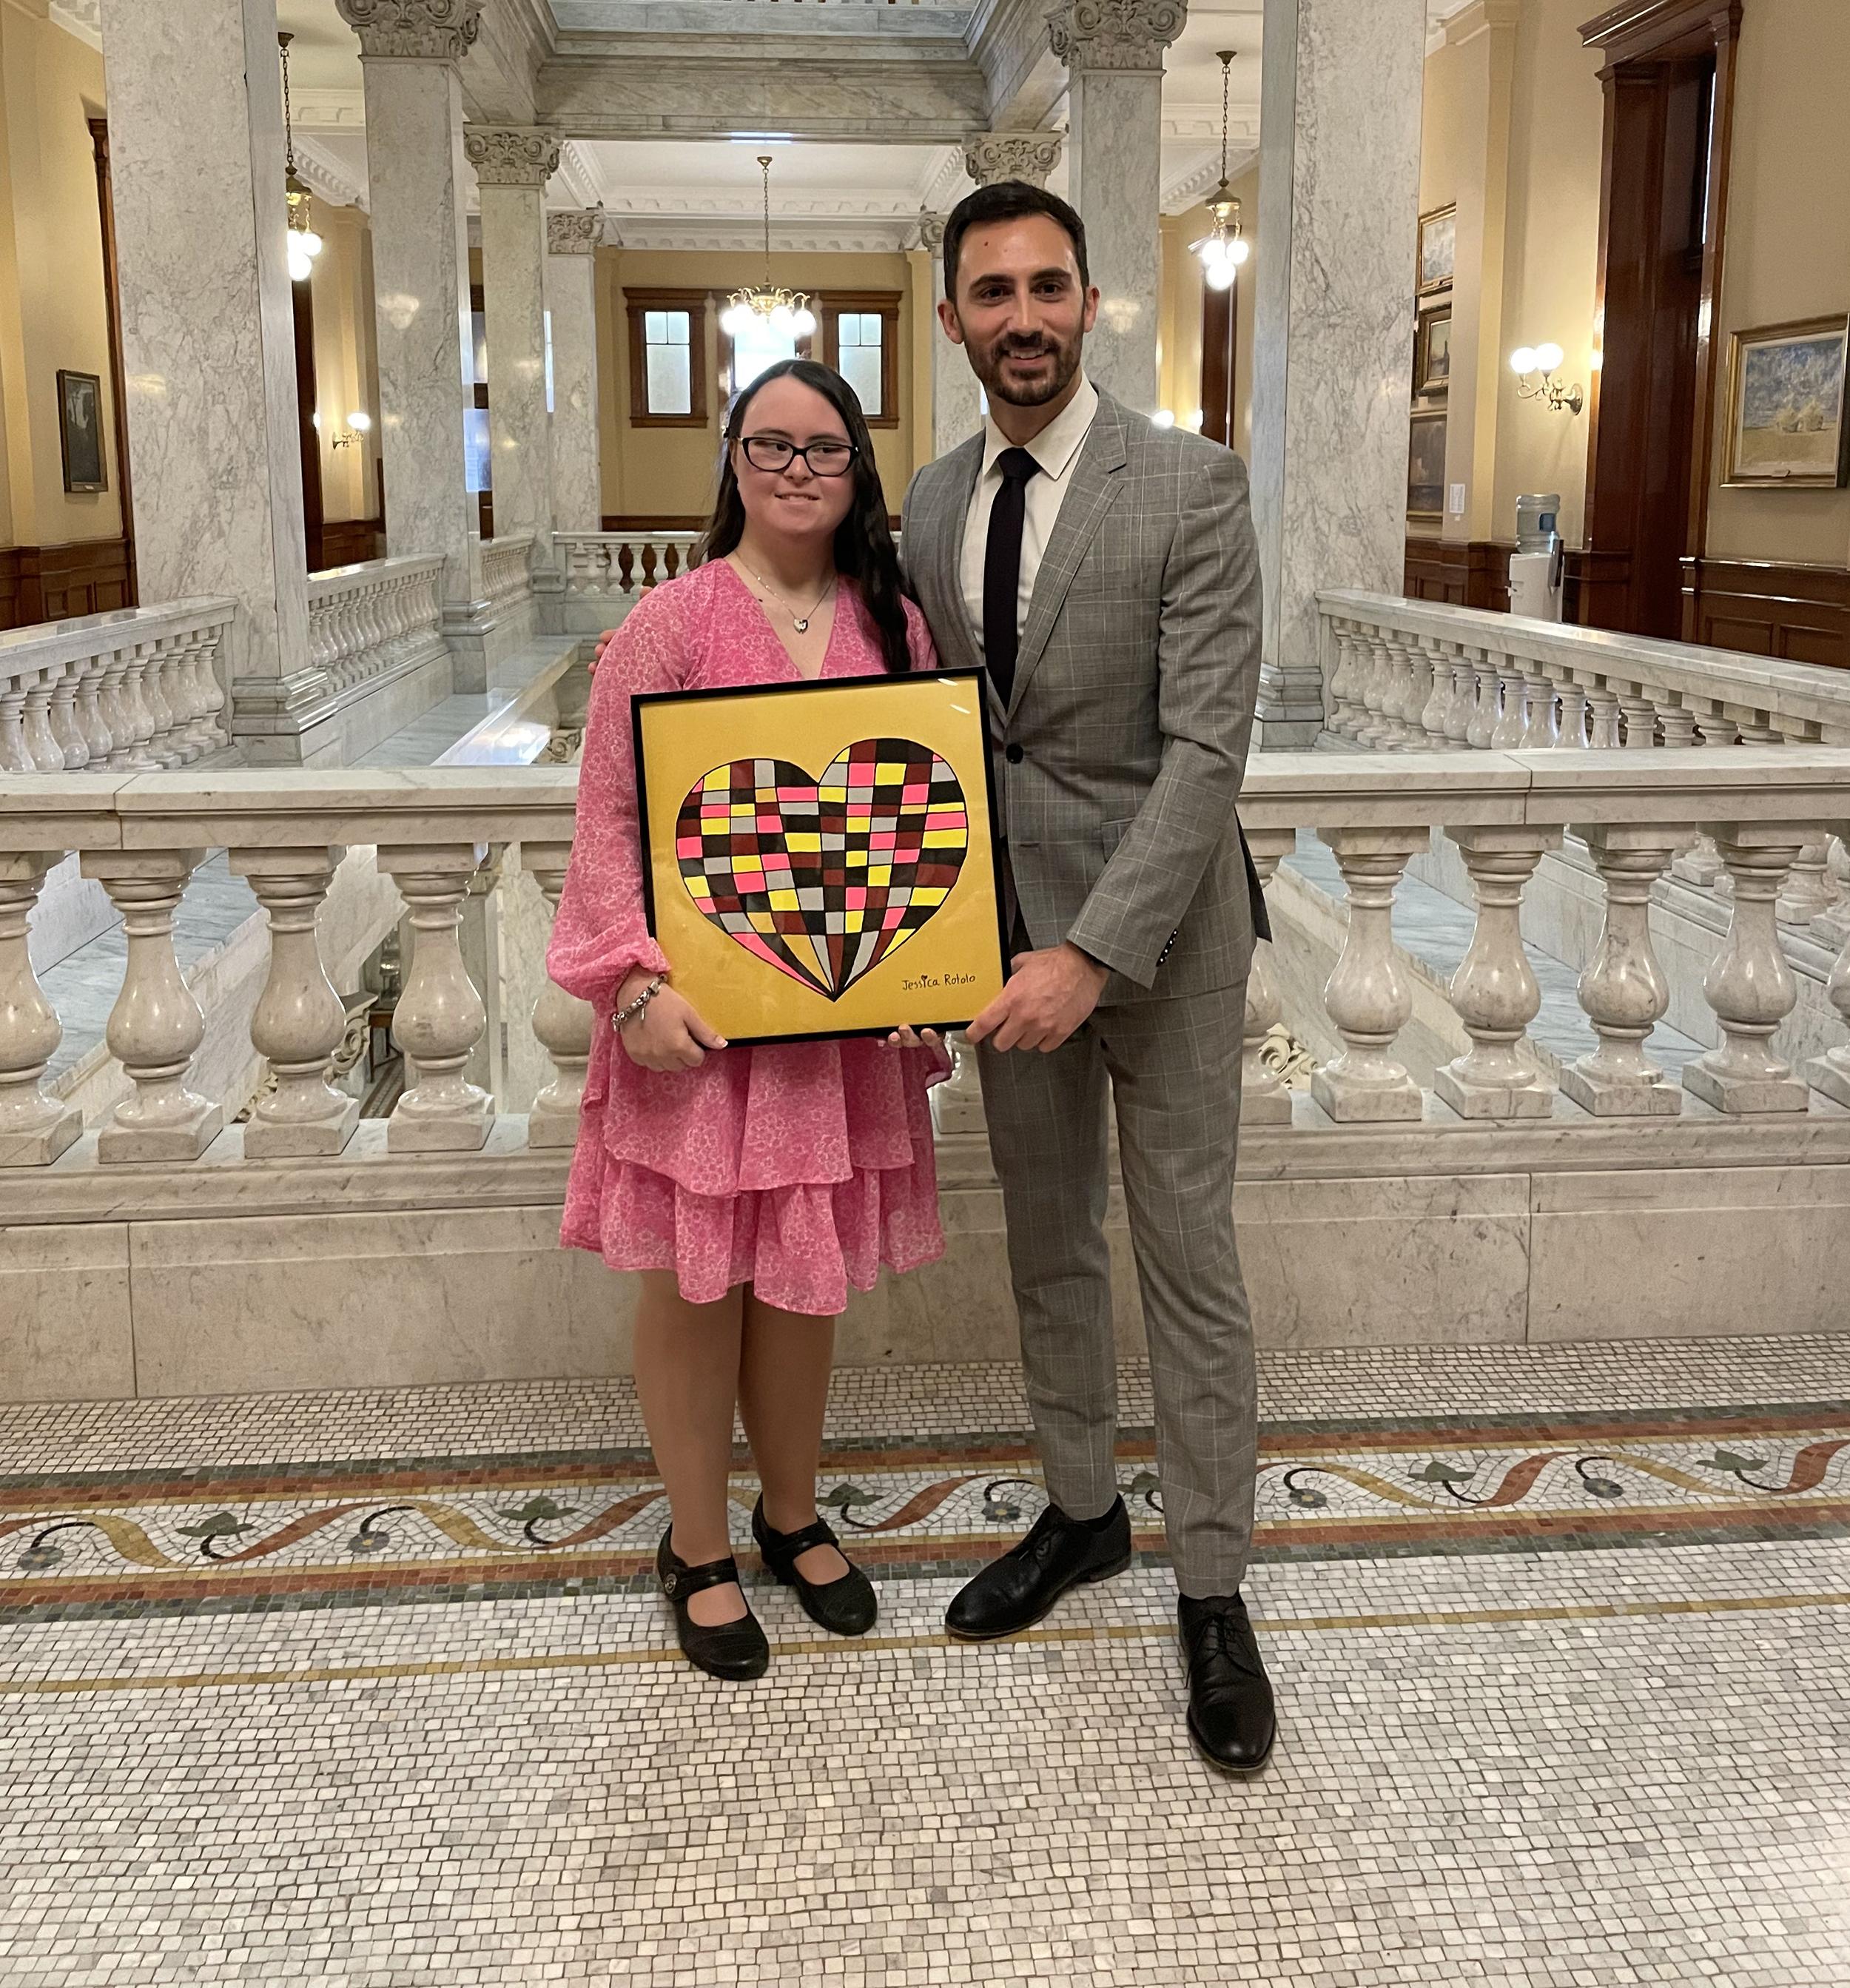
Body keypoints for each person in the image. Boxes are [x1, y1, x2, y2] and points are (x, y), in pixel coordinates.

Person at [901, 183, 1276, 1773]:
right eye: (990, 291)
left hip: (1164, 938)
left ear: (1091, 301)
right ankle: (1079, 1515)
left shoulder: (1189, 483)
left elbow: (1204, 749)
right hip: (997, 952)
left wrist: (1090, 950)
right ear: (951, 322)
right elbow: (924, 742)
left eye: (1047, 284)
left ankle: (1210, 1586)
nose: (1022, 315)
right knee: (1048, 1245)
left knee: (1184, 1257)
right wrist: (923, 937)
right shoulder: (925, 502)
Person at [548, 359, 949, 1682]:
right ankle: (698, 1543)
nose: (795, 470)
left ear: (858, 474)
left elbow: (928, 814)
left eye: (824, 449)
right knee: (697, 1278)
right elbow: (607, 817)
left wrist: (923, 977)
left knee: (800, 1276)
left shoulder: (894, 630)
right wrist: (632, 982)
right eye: (769, 445)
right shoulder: (665, 625)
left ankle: (791, 1511)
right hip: (700, 1035)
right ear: (731, 461)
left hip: (835, 1024)